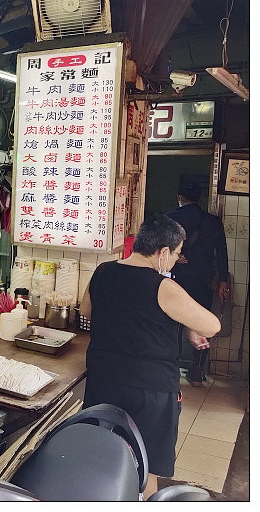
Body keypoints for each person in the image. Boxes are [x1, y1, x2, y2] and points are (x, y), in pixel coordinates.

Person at [80, 213, 220, 500]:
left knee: (102, 455)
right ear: (163, 252)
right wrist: (191, 325)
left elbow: (87, 312)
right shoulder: (163, 287)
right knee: (145, 469)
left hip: (103, 382)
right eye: (176, 255)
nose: (174, 262)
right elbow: (212, 326)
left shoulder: (103, 272)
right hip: (150, 393)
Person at [167, 182, 230, 387]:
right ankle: (197, 371)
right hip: (203, 280)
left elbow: (161, 248)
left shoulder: (170, 218)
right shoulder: (212, 221)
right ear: (200, 198)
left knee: (173, 326)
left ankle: (171, 370)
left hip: (177, 279)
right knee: (200, 324)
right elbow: (221, 252)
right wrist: (223, 280)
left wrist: (178, 258)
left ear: (179, 196)